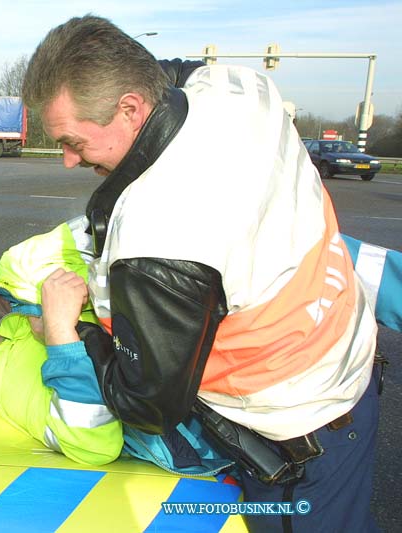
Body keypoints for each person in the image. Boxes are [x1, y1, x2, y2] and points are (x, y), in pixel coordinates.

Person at [21, 15, 381, 532]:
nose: (68, 161)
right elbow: (171, 73)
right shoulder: (236, 87)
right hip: (347, 360)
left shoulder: (161, 233)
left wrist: (71, 333)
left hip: (300, 434)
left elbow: (147, 404)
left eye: (74, 141)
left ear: (130, 107)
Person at [0, 217, 233, 476]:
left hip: (223, 307)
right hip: (213, 410)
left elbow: (118, 221)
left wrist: (96, 281)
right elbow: (92, 446)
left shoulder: (21, 261)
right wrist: (60, 335)